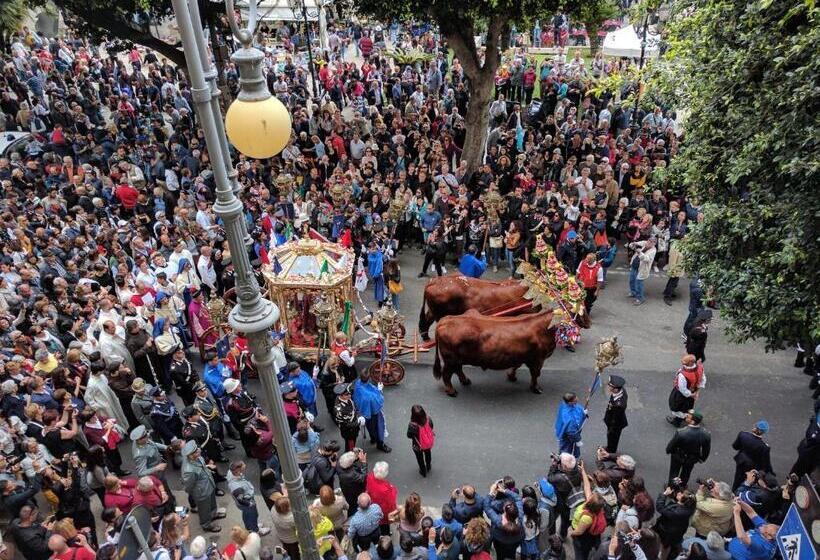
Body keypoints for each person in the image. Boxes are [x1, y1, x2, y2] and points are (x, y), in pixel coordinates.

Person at [180, 440, 226, 532]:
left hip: (209, 485)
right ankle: (206, 524)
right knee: (204, 510)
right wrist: (196, 494)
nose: (199, 450)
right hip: (202, 492)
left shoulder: (198, 458)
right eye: (196, 451)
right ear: (190, 455)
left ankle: (213, 514)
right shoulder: (188, 470)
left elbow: (202, 467)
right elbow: (188, 486)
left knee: (212, 503)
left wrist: (208, 466)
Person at [666, 411, 712, 485]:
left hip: (678, 455)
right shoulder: (706, 434)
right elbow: (706, 449)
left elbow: (672, 444)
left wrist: (669, 450)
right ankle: (682, 487)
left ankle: (671, 487)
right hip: (692, 458)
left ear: (693, 421)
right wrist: (702, 458)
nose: (686, 416)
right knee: (686, 473)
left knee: (674, 472)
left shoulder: (681, 432)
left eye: (688, 416)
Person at [227, 460, 271, 536]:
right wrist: (250, 504)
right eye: (243, 469)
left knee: (247, 515)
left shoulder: (231, 472)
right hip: (247, 502)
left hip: (245, 503)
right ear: (237, 471)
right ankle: (256, 531)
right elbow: (240, 500)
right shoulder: (237, 487)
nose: (244, 470)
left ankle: (250, 527)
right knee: (252, 515)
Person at [653, 484, 696, 560]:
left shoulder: (676, 512)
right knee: (672, 543)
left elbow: (660, 507)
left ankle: (662, 557)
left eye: (681, 494)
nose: (679, 493)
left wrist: (664, 494)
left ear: (683, 500)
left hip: (667, 532)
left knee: (665, 546)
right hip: (678, 530)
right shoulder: (689, 507)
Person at [353, 369, 391, 452]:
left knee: (370, 427)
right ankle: (380, 444)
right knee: (378, 428)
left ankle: (373, 438)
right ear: (368, 378)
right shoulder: (369, 396)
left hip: (363, 412)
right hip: (372, 413)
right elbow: (379, 400)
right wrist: (380, 390)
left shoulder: (358, 383)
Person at [731, 421, 773, 491]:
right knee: (748, 482)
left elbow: (735, 446)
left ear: (755, 426)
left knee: (737, 479)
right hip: (753, 467)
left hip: (741, 461)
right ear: (763, 432)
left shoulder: (743, 435)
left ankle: (734, 491)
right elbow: (765, 464)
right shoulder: (764, 447)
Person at [667, 355, 706, 427]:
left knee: (677, 406)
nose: (682, 362)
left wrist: (691, 394)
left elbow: (682, 389)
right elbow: (702, 379)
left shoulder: (683, 375)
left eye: (684, 361)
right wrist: (696, 392)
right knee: (688, 406)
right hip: (693, 391)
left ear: (690, 363)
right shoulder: (700, 368)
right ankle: (687, 417)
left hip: (682, 395)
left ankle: (677, 422)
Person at [367, 461, 398, 536]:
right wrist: (393, 488)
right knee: (384, 524)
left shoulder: (370, 477)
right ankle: (385, 535)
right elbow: (391, 500)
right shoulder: (385, 489)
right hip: (383, 510)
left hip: (373, 504)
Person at [554, 392, 587, 458]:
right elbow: (572, 432)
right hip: (567, 436)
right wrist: (578, 440)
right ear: (570, 402)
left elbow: (576, 408)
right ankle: (564, 464)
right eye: (575, 400)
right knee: (566, 452)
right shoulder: (570, 419)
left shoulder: (564, 404)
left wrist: (582, 412)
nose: (577, 400)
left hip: (562, 430)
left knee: (565, 448)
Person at [333, 383, 363, 452]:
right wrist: (358, 422)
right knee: (350, 447)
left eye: (350, 393)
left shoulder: (347, 398)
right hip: (349, 432)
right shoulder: (339, 410)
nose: (350, 395)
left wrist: (359, 415)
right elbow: (345, 424)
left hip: (354, 427)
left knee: (353, 443)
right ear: (340, 395)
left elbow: (354, 408)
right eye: (347, 394)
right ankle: (350, 459)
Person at [407, 404, 435, 477]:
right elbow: (431, 427)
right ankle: (428, 466)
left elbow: (409, 435)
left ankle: (423, 471)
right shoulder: (428, 419)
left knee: (420, 458)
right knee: (428, 453)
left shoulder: (412, 425)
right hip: (427, 443)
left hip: (418, 445)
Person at [603, 375, 628, 453]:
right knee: (611, 438)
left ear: (616, 389)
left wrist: (611, 429)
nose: (608, 387)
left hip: (615, 425)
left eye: (610, 386)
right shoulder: (621, 391)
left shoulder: (619, 405)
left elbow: (615, 420)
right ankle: (610, 447)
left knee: (612, 438)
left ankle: (610, 452)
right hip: (613, 418)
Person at [627, 239, 656, 305]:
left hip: (642, 269)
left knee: (639, 284)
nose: (649, 242)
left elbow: (646, 259)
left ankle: (640, 298)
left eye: (652, 242)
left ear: (654, 244)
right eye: (649, 240)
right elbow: (634, 244)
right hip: (634, 266)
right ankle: (633, 293)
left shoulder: (653, 251)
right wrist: (634, 244)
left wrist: (639, 252)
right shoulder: (645, 243)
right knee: (631, 280)